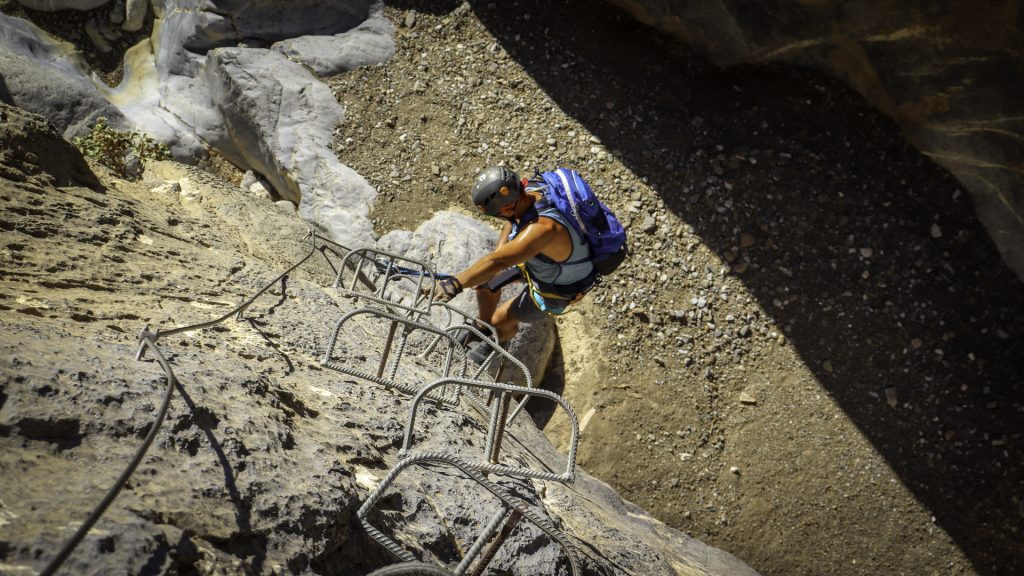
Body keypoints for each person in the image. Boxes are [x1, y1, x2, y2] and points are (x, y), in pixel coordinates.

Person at [428, 165, 598, 363]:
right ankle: (483, 326)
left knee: (501, 318)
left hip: (558, 288)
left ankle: (499, 340)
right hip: (542, 265)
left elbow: (498, 261)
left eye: (500, 214)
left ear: (508, 207)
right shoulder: (529, 193)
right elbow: (512, 222)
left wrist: (454, 284)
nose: (503, 218)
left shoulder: (542, 229)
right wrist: (502, 247)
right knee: (483, 285)